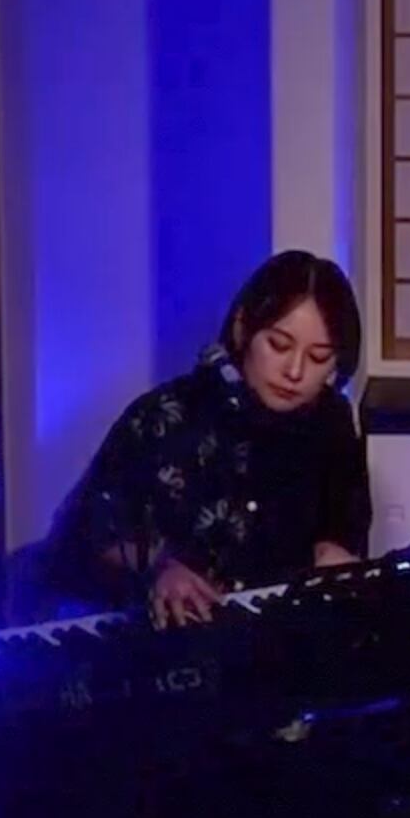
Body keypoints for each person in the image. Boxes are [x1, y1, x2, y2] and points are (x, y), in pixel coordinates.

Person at [43, 251, 372, 626]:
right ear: (242, 328)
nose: (294, 371)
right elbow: (84, 540)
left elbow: (345, 529)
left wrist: (336, 556)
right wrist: (161, 569)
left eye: (318, 357)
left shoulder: (332, 424)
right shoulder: (166, 414)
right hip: (168, 637)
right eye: (279, 345)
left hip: (287, 637)